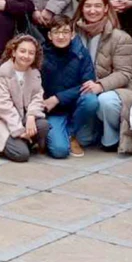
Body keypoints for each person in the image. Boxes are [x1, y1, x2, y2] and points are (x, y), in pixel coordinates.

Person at [72, 0, 132, 154]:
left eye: (97, 6)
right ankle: (95, 128)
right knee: (85, 140)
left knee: (105, 101)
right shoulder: (72, 34)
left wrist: (100, 86)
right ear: (81, 8)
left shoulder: (121, 37)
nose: (92, 10)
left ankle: (111, 138)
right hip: (83, 91)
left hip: (114, 90)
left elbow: (124, 73)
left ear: (106, 8)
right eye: (88, 6)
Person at [0, 34, 49, 162]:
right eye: (22, 51)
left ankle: (22, 141)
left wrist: (31, 115)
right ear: (13, 52)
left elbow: (37, 96)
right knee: (22, 155)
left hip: (23, 117)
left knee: (43, 125)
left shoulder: (34, 73)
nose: (26, 56)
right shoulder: (3, 74)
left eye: (31, 53)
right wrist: (18, 130)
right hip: (4, 121)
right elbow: (4, 106)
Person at [39, 15, 95, 159]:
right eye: (56, 32)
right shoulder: (41, 55)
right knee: (59, 151)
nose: (61, 36)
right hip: (54, 111)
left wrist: (58, 98)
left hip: (76, 106)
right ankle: (54, 136)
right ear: (49, 35)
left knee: (91, 100)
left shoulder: (81, 53)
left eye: (65, 32)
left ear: (72, 34)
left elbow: (87, 84)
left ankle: (71, 134)